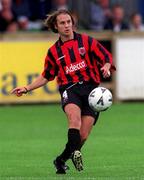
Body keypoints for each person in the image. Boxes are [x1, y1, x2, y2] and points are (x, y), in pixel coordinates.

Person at [11, 9, 116, 174]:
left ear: (72, 23)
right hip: (70, 89)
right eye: (62, 23)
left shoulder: (87, 41)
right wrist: (26, 88)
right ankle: (75, 153)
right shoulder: (53, 52)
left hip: (91, 91)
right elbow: (46, 76)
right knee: (74, 121)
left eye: (69, 22)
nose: (67, 26)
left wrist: (106, 66)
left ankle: (60, 160)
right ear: (56, 26)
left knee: (83, 136)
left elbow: (106, 57)